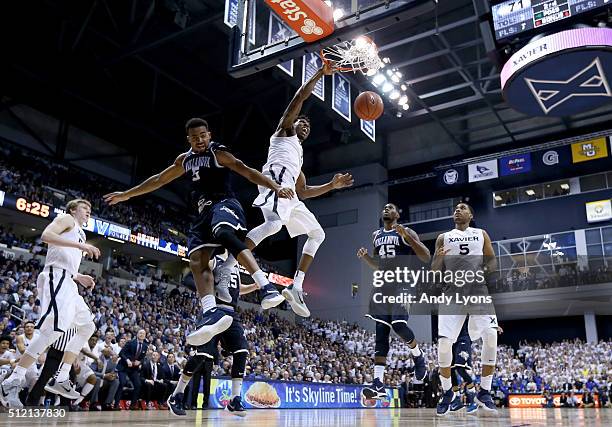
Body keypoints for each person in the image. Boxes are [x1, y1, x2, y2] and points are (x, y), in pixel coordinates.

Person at [104, 118, 294, 346]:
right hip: (202, 213)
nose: (200, 140)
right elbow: (158, 180)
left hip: (225, 204)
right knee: (196, 259)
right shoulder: (183, 160)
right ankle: (210, 311)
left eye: (203, 135)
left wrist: (275, 187)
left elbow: (246, 171)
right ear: (189, 140)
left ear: (209, 135)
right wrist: (127, 194)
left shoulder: (218, 153)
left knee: (223, 232)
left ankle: (266, 286)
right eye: (195, 137)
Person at [213, 62, 353, 319]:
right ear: (292, 124)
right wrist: (320, 73)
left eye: (309, 127)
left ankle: (296, 286)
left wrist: (331, 186)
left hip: (291, 194)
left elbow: (305, 191)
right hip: (274, 185)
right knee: (275, 224)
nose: (305, 127)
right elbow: (300, 98)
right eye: (302, 123)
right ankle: (228, 265)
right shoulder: (282, 133)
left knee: (317, 234)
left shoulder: (298, 159)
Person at [1, 199, 100, 409]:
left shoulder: (80, 232)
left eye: (90, 210)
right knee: (53, 331)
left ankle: (61, 377)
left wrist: (79, 276)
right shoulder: (67, 219)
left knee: (87, 326)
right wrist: (80, 246)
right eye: (85, 208)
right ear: (73, 210)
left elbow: (65, 260)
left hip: (68, 281)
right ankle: (13, 379)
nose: (88, 212)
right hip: (56, 278)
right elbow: (46, 236)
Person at [168, 251, 258, 417]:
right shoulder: (216, 260)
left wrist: (254, 286)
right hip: (214, 311)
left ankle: (234, 399)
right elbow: (194, 277)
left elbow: (237, 289)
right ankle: (176, 395)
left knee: (242, 350)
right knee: (201, 355)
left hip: (231, 313)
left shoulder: (235, 266)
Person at [356, 203, 430, 400]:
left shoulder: (406, 231)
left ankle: (418, 356)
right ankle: (378, 384)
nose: (386, 209)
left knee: (399, 324)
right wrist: (366, 259)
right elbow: (377, 264)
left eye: (391, 208)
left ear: (397, 214)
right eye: (385, 208)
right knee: (381, 334)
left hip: (404, 281)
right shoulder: (375, 235)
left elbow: (425, 256)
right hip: (383, 285)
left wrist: (410, 239)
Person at [431, 202, 499, 416]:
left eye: (463, 207)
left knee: (491, 336)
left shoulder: (481, 234)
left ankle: (485, 391)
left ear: (471, 214)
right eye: (456, 208)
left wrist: (485, 271)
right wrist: (440, 258)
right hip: (452, 292)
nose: (458, 210)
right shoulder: (443, 237)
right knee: (443, 346)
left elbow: (492, 260)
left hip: (478, 288)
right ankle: (447, 393)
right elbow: (434, 269)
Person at [448, 318, 478, 414]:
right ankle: (457, 399)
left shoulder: (463, 309)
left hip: (463, 340)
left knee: (460, 369)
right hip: (453, 342)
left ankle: (474, 400)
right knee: (450, 370)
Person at [117, 329, 148, 410]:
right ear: (137, 334)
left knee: (138, 385)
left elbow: (143, 358)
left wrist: (140, 362)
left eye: (143, 333)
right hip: (123, 366)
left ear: (145, 336)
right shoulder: (130, 343)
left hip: (133, 368)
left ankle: (133, 405)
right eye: (140, 333)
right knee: (122, 383)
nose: (141, 334)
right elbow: (121, 353)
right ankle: (116, 404)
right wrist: (127, 360)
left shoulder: (145, 346)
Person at [14, 321, 40, 391]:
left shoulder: (38, 337)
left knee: (36, 381)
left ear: (34, 329)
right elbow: (22, 351)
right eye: (27, 327)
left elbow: (44, 350)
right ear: (24, 328)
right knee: (20, 382)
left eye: (31, 327)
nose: (29, 328)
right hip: (19, 363)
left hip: (32, 364)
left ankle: (29, 399)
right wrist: (37, 351)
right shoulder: (20, 337)